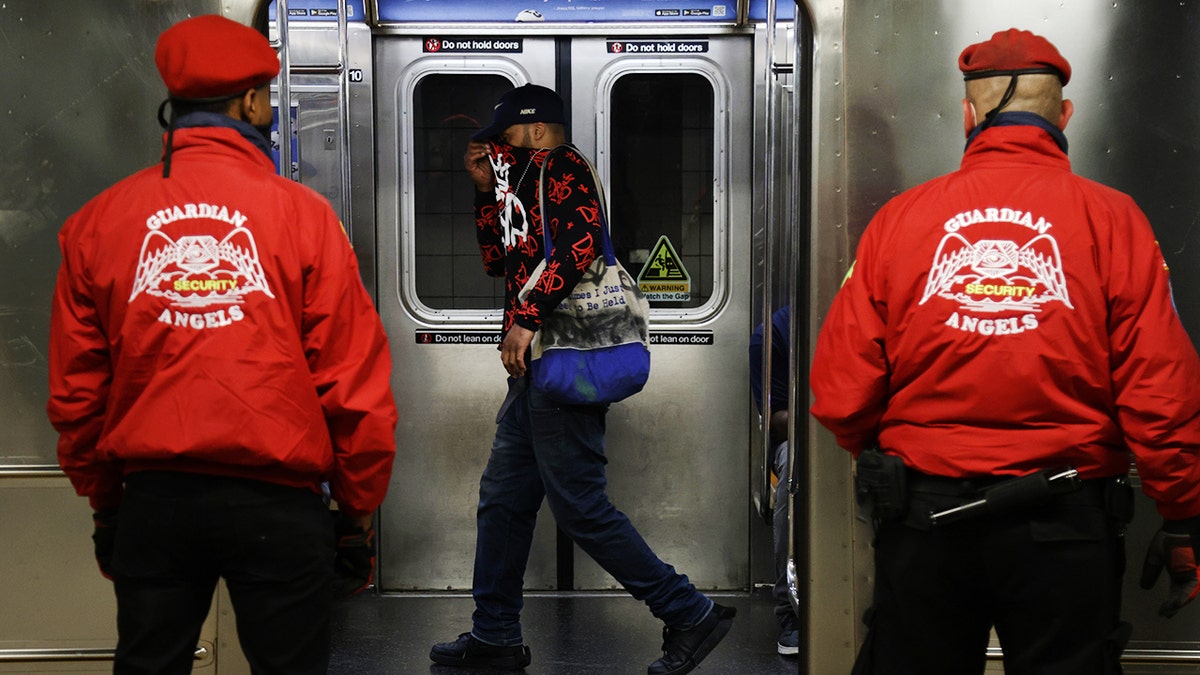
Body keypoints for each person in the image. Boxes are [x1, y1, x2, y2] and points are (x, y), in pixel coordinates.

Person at [809, 28, 1200, 674]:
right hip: (1067, 531)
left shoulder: (899, 223)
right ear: (1064, 114)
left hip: (925, 524)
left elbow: (839, 390)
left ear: (968, 112)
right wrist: (1183, 513)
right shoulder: (1115, 221)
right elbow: (1162, 392)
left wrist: (906, 461)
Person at [46, 15, 398, 674]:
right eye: (266, 94)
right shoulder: (305, 218)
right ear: (248, 104)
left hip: (156, 501)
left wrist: (106, 501)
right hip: (280, 505)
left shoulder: (97, 223)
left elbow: (76, 390)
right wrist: (356, 509)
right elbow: (353, 381)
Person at [429, 83, 734, 674]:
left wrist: (523, 318)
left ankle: (689, 612)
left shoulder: (562, 166)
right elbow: (499, 260)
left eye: (505, 136)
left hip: (564, 361)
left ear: (537, 129)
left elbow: (581, 243)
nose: (498, 147)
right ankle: (494, 634)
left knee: (580, 508)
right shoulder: (520, 183)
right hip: (534, 372)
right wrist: (484, 191)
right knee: (503, 503)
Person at [748, 305, 800, 656]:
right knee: (795, 469)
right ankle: (792, 612)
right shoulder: (774, 333)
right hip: (801, 431)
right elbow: (776, 415)